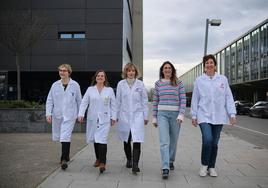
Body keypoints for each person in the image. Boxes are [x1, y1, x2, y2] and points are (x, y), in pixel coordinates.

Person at [191, 54, 236, 177]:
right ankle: (204, 165)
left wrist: (232, 113)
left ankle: (211, 167)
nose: (209, 65)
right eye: (207, 63)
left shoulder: (222, 79)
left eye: (211, 62)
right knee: (208, 140)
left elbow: (228, 97)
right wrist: (194, 116)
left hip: (218, 115)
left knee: (215, 143)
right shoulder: (199, 80)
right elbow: (195, 98)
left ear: (215, 65)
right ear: (204, 67)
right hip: (203, 115)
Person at [152, 61, 186, 179]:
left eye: (169, 68)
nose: (167, 70)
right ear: (162, 70)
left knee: (173, 140)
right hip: (162, 115)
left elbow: (183, 100)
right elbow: (155, 101)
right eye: (165, 68)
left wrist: (181, 114)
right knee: (164, 141)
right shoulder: (158, 84)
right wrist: (154, 117)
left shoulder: (179, 83)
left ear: (172, 70)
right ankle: (165, 166)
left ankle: (171, 159)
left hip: (175, 115)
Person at [78, 70, 116, 173]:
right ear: (95, 78)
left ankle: (103, 162)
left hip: (105, 119)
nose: (100, 77)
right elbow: (84, 103)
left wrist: (114, 117)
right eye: (98, 76)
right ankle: (98, 158)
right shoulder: (90, 90)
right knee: (95, 139)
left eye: (102, 76)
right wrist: (81, 114)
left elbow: (113, 105)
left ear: (105, 78)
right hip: (93, 118)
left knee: (102, 139)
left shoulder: (109, 90)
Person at [46, 64, 82, 170]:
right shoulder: (55, 85)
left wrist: (80, 114)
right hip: (57, 115)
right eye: (60, 70)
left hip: (70, 115)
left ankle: (63, 160)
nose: (62, 72)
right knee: (61, 136)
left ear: (69, 72)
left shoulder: (75, 85)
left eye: (64, 71)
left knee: (65, 136)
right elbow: (49, 100)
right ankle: (66, 156)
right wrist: (48, 114)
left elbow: (79, 100)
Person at [116, 63, 148, 174]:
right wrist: (115, 116)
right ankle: (129, 159)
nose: (131, 73)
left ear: (136, 72)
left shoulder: (140, 84)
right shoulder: (121, 84)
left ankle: (135, 164)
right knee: (126, 139)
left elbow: (144, 101)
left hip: (137, 115)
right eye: (129, 71)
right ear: (126, 72)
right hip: (124, 115)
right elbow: (118, 101)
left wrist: (145, 115)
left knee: (137, 139)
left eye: (133, 71)